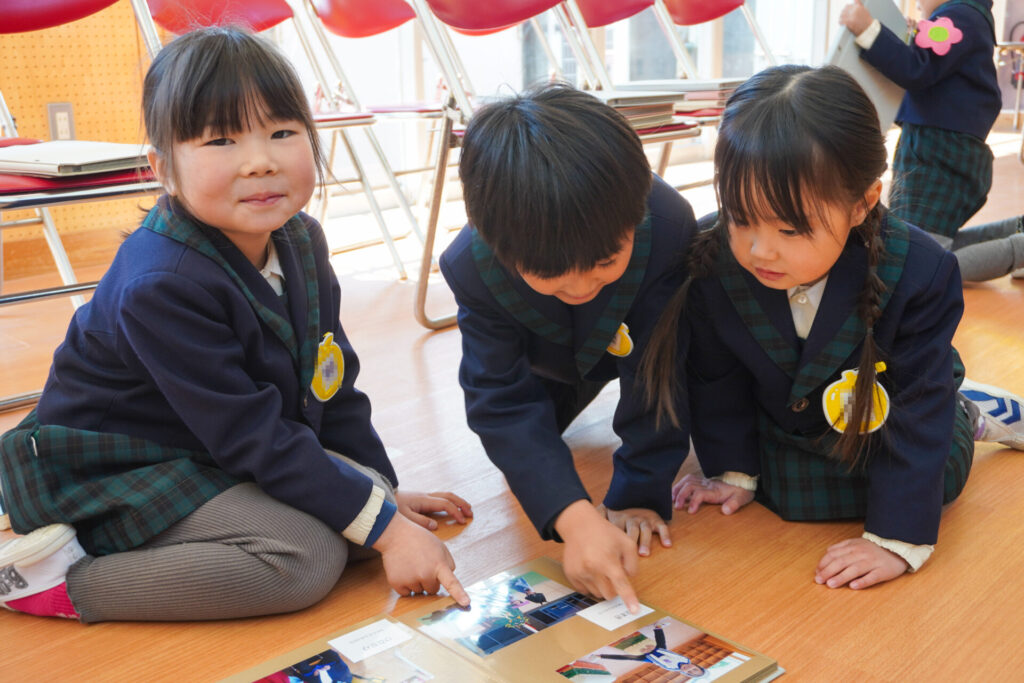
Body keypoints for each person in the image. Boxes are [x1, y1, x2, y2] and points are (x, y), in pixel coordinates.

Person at [0, 26, 472, 623]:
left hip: (210, 442)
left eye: (282, 132)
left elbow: (333, 384)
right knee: (306, 558)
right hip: (117, 466)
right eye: (221, 140)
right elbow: (252, 434)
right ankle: (51, 581)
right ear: (163, 167)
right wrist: (387, 529)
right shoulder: (160, 282)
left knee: (357, 519)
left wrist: (384, 495)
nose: (260, 161)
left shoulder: (301, 239)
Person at [640, 64, 1024, 591]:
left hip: (895, 413)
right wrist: (733, 472)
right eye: (740, 217)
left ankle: (966, 411)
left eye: (789, 229)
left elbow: (915, 413)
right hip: (787, 423)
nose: (759, 250)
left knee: (941, 473)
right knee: (782, 488)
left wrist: (893, 539)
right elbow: (716, 377)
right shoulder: (711, 258)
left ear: (862, 203)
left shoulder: (922, 271)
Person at [438, 83, 698, 612]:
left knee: (657, 367)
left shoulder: (669, 225)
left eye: (604, 261)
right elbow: (500, 401)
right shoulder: (470, 264)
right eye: (550, 272)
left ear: (636, 217)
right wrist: (573, 518)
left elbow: (658, 368)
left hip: (626, 343)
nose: (581, 286)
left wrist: (640, 492)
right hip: (547, 360)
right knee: (535, 442)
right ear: (497, 242)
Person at [839, 0, 1024, 282]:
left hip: (937, 152)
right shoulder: (966, 17)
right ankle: (1017, 230)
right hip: (944, 150)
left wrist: (868, 30)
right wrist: (917, 36)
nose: (917, 3)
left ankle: (1019, 249)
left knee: (915, 260)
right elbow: (931, 67)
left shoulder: (958, 17)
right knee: (924, 244)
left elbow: (915, 68)